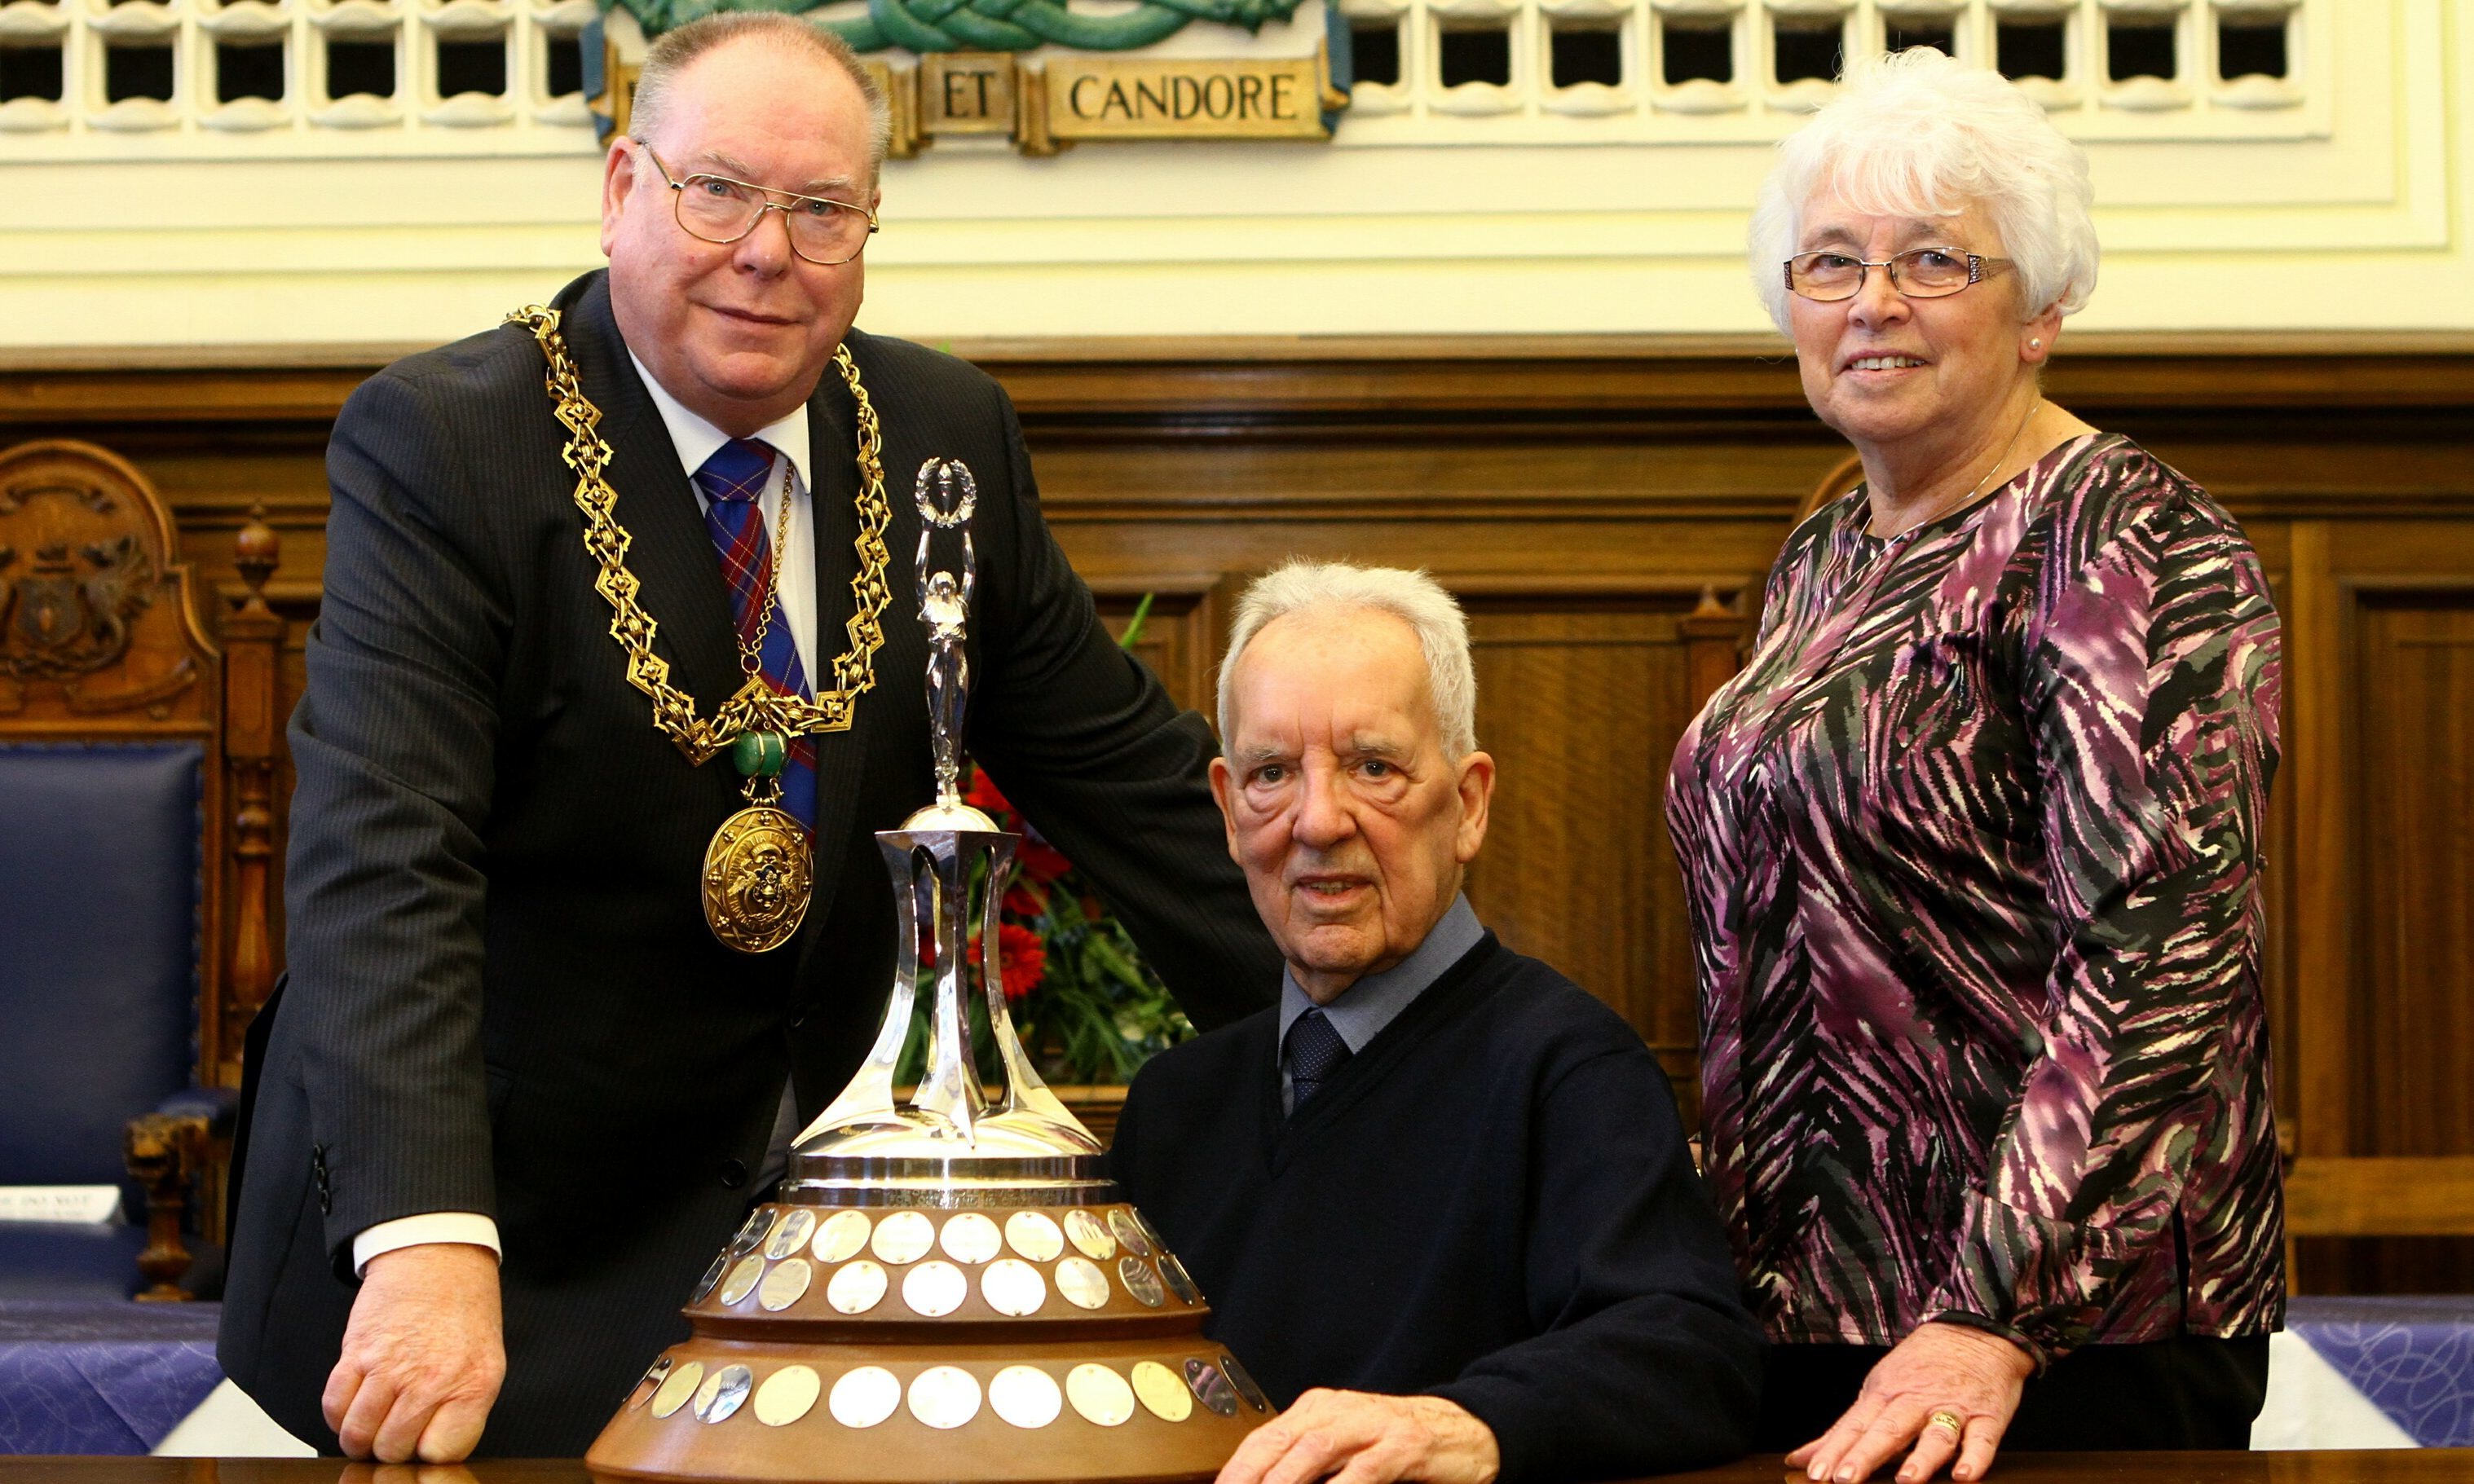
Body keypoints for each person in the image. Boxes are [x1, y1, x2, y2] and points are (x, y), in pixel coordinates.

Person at [217, 12, 1278, 1463]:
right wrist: (424, 1244)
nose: (768, 250)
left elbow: (1143, 798)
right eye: (716, 190)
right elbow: (382, 864)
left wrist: (1414, 1040)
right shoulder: (448, 445)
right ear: (620, 187)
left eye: (822, 208)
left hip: (813, 1285)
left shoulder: (940, 434)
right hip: (494, 1250)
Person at [1665, 48, 2285, 1484]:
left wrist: (1991, 1312)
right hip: (1817, 1312)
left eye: (1934, 259)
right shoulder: (1827, 556)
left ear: (2042, 309)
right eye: (1831, 264)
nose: (1873, 302)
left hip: (2064, 1343)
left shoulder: (2125, 536)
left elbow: (2162, 954)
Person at [1110, 561, 1764, 1484]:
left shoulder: (1567, 1070)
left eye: (1372, 768)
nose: (1316, 820)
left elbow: (1690, 1354)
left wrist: (1462, 1425)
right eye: (1270, 774)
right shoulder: (1175, 1105)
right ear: (1224, 809)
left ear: (1466, 804)